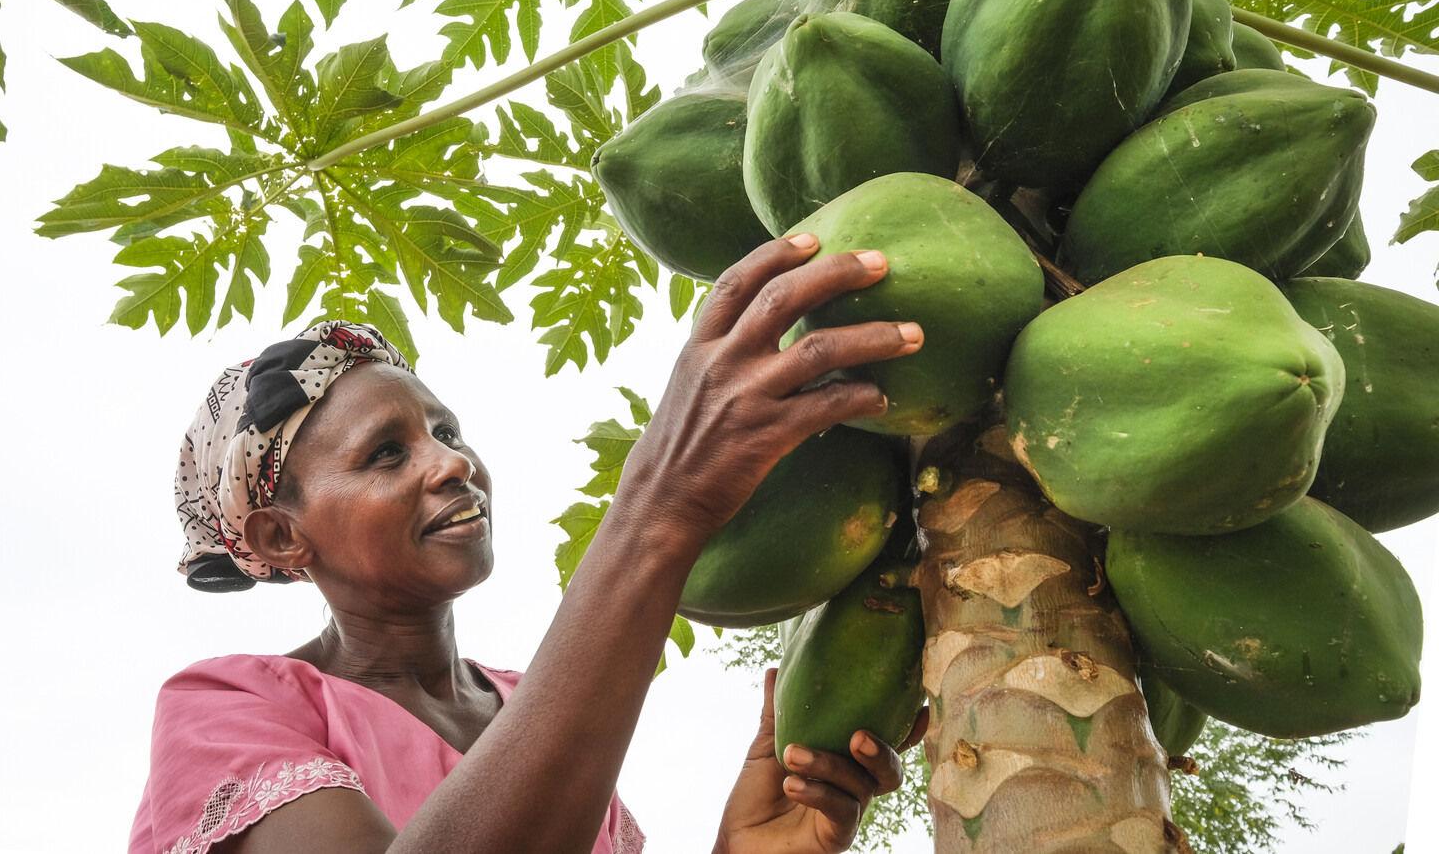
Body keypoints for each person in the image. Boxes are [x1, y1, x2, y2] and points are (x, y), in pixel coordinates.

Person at [129, 233, 929, 854]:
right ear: (281, 533)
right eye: (385, 453)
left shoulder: (528, 706)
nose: (452, 462)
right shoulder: (228, 709)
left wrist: (748, 846)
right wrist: (657, 508)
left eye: (446, 430)